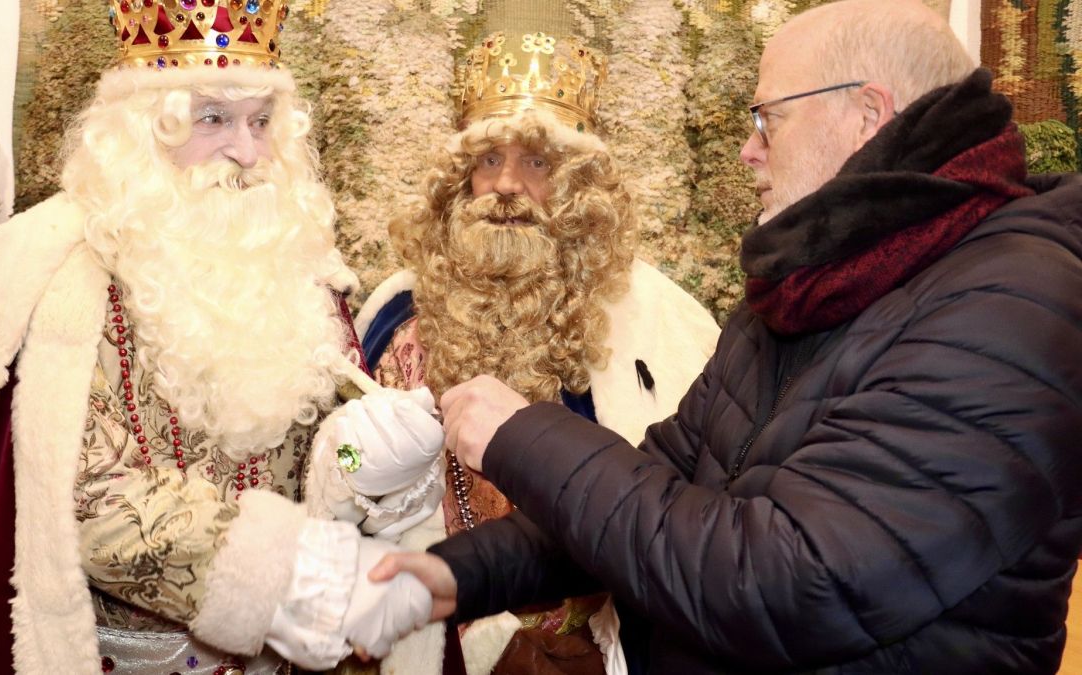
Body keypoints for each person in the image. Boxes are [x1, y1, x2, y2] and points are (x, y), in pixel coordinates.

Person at [369, 1, 1082, 673]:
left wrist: (523, 437)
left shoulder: (1010, 311)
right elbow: (664, 482)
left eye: (767, 120)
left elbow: (790, 583)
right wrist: (454, 574)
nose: (747, 150)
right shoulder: (810, 284)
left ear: (867, 115)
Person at [0, 1, 435, 672]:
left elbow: (327, 467)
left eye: (261, 122)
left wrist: (366, 465)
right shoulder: (65, 281)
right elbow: (86, 501)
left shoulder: (298, 268)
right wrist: (293, 572)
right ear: (139, 132)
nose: (246, 151)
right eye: (213, 119)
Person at [303, 29, 720, 675]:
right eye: (488, 159)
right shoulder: (393, 312)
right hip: (420, 640)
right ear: (458, 179)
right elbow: (336, 473)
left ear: (580, 187)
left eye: (537, 163)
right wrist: (359, 468)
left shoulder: (659, 322)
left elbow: (689, 522)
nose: (505, 185)